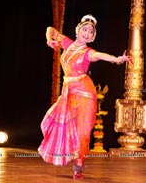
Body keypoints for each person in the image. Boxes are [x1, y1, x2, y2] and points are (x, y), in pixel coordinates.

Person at [38, 14, 131, 179]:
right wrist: (48, 40)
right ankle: (72, 157)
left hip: (84, 93)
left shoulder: (88, 52)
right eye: (85, 29)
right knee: (64, 125)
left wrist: (117, 59)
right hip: (68, 91)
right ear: (78, 30)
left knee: (82, 130)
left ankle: (79, 165)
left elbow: (100, 56)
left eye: (90, 32)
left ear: (93, 36)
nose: (87, 33)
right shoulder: (67, 44)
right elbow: (50, 30)